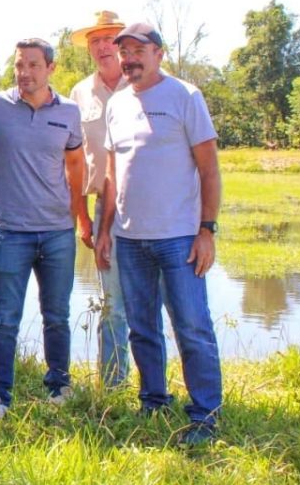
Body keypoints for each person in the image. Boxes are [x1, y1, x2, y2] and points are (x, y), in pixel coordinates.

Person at [94, 22, 223, 446]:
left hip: (179, 239)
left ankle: (204, 413)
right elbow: (112, 176)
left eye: (138, 50)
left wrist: (206, 230)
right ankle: (154, 401)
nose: (130, 59)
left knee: (191, 326)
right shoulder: (117, 103)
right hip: (130, 240)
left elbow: (208, 168)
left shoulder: (185, 96)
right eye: (124, 52)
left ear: (158, 54)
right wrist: (105, 230)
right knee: (141, 327)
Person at [0, 38, 88, 420]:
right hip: (10, 231)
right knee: (5, 317)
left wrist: (81, 216)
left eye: (33, 65)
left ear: (50, 68)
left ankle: (59, 386)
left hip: (58, 232)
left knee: (56, 313)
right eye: (19, 65)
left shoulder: (70, 113)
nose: (24, 72)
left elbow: (76, 166)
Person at [69, 10, 131, 388]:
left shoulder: (145, 82)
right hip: (101, 204)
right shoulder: (79, 93)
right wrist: (83, 217)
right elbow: (73, 161)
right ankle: (112, 384)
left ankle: (155, 385)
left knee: (154, 298)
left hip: (149, 203)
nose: (103, 46)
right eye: (96, 40)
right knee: (113, 302)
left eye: (110, 38)